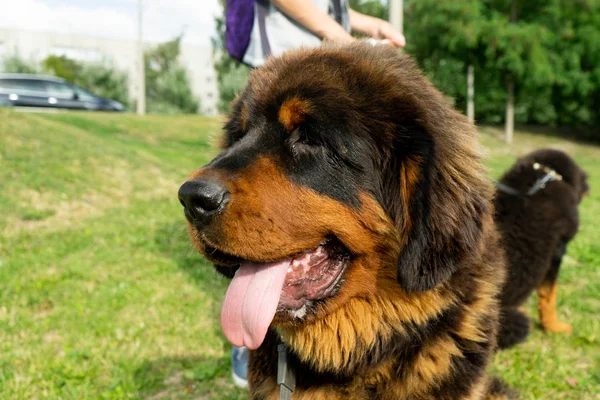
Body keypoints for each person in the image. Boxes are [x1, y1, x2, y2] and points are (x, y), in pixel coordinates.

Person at [224, 0, 406, 388]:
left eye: (307, 139)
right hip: (291, 42)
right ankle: (252, 331)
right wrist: (337, 37)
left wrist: (361, 23)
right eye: (239, 138)